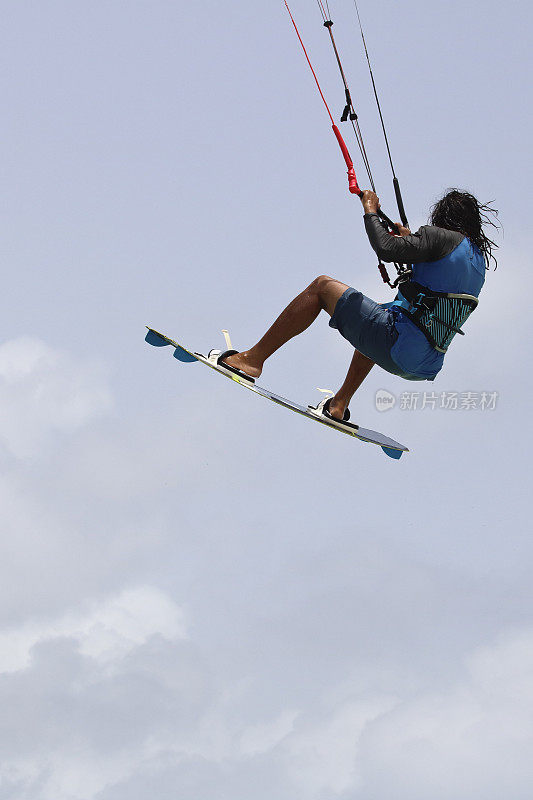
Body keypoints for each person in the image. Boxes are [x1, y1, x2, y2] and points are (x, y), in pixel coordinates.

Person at [216, 188, 498, 423]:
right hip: (425, 364)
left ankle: (251, 361)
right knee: (381, 313)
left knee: (322, 287)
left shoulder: (440, 237)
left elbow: (385, 248)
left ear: (442, 218)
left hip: (396, 343)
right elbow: (436, 286)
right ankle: (338, 405)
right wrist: (412, 241)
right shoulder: (477, 265)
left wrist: (370, 209)